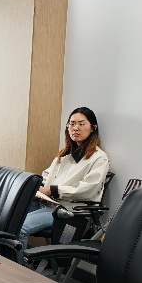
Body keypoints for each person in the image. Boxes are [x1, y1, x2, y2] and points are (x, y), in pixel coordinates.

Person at [19, 106, 110, 248]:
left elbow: (88, 189)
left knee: (20, 227)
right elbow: (46, 175)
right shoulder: (64, 154)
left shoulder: (99, 158)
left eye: (81, 124)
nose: (75, 128)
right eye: (72, 124)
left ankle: (20, 262)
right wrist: (36, 187)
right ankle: (23, 257)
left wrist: (52, 191)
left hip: (68, 211)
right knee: (8, 219)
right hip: (48, 203)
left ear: (93, 128)